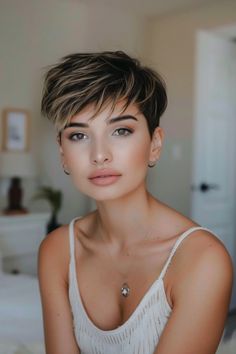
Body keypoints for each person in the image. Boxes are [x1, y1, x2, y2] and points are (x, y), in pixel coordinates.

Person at [38, 51, 233, 354]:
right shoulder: (57, 250)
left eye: (121, 130)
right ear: (63, 153)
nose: (99, 154)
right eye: (78, 135)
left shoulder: (202, 260)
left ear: (155, 144)